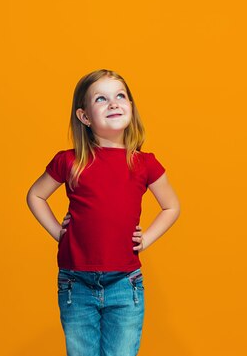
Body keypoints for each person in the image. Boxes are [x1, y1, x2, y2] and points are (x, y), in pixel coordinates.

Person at [26, 69, 180, 356]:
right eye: (101, 99)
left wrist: (145, 239)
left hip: (125, 283)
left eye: (120, 96)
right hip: (76, 283)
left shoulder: (145, 164)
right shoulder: (70, 161)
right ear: (84, 117)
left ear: (131, 108)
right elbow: (35, 195)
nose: (113, 103)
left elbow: (172, 206)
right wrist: (58, 233)